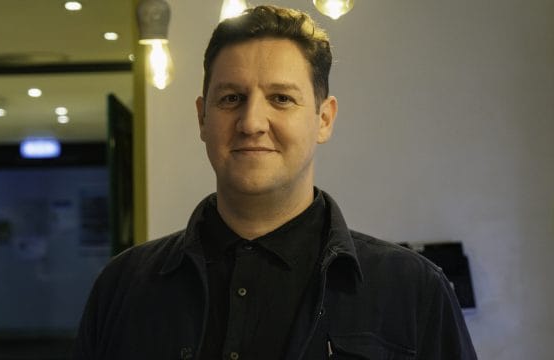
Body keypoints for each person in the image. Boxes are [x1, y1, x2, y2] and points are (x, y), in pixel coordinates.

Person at [73, 5, 477, 360]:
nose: (251, 123)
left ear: (324, 118)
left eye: (281, 98)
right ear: (202, 118)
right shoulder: (122, 286)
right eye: (231, 98)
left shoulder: (414, 291)